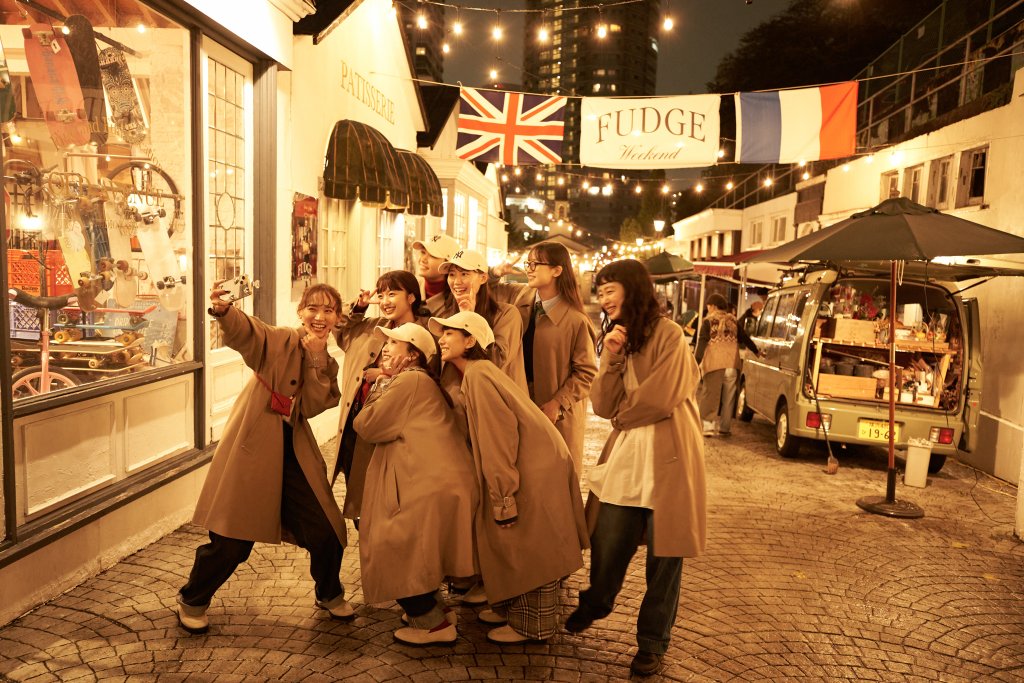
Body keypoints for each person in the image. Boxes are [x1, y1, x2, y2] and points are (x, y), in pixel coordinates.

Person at [176, 283, 349, 634]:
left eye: (328, 310)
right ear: (301, 312)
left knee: (326, 529)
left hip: (293, 453)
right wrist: (225, 311)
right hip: (253, 450)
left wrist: (317, 357)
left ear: (337, 318)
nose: (320, 317)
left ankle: (329, 592)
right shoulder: (280, 339)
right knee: (232, 541)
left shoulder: (326, 360)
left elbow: (315, 405)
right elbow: (248, 332)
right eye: (313, 308)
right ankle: (192, 599)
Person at [565, 259, 706, 678]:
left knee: (665, 561)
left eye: (610, 289)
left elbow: (663, 397)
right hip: (628, 457)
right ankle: (598, 599)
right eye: (600, 291)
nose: (603, 298)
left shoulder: (669, 334)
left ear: (633, 289)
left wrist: (623, 417)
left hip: (671, 456)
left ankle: (651, 643)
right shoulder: (616, 338)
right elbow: (602, 404)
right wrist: (610, 357)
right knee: (607, 539)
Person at [429, 311, 588, 644]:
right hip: (536, 461)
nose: (441, 339)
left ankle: (532, 626)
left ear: (470, 340)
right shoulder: (479, 372)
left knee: (527, 540)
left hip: (533, 466)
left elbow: (498, 437)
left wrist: (503, 496)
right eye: (441, 333)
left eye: (450, 333)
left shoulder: (478, 376)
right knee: (520, 539)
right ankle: (514, 610)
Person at [352, 323, 478, 646]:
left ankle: (433, 625)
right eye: (387, 342)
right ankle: (436, 611)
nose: (386, 347)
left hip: (421, 483)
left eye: (395, 342)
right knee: (418, 551)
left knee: (393, 548)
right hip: (430, 480)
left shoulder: (408, 380)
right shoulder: (419, 380)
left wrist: (380, 384)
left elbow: (367, 425)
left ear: (413, 355)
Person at [489, 242, 597, 476]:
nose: (529, 269)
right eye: (528, 263)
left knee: (554, 479)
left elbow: (586, 372)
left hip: (555, 413)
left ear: (557, 270)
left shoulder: (576, 320)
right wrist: (495, 273)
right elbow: (484, 291)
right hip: (519, 402)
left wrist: (558, 403)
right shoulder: (520, 295)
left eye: (535, 264)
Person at [332, 270, 431, 524]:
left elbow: (428, 381)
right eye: (382, 295)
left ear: (411, 297)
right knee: (358, 493)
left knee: (385, 498)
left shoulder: (424, 335)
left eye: (393, 294)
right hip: (356, 420)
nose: (385, 301)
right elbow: (338, 328)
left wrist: (386, 375)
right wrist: (358, 307)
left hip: (392, 428)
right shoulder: (369, 328)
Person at [438, 248, 527, 390]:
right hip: (460, 400)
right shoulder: (445, 317)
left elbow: (496, 362)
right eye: (452, 274)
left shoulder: (507, 315)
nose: (456, 282)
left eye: (464, 274)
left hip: (496, 399)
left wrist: (470, 319)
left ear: (483, 278)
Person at [695, 293, 741, 436]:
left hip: (715, 363)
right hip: (732, 364)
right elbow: (744, 337)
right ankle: (725, 427)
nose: (708, 309)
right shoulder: (733, 321)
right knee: (729, 398)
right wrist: (757, 351)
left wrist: (696, 362)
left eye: (709, 306)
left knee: (711, 394)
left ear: (714, 306)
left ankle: (708, 427)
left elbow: (702, 342)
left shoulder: (708, 322)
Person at [412, 233, 461, 315]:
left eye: (432, 255)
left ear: (447, 265)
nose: (423, 259)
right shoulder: (410, 288)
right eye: (423, 252)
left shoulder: (458, 301)